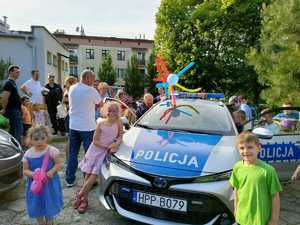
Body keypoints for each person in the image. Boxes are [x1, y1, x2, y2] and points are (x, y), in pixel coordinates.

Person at [74, 102, 123, 213]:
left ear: (118, 112)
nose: (111, 113)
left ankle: (79, 195)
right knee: (87, 176)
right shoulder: (101, 124)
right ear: (106, 111)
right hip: (95, 151)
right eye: (109, 110)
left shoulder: (119, 123)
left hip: (104, 154)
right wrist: (106, 146)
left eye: (114, 111)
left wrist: (116, 144)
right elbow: (95, 141)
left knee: (93, 177)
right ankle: (84, 200)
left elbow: (120, 135)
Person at [229, 131, 282, 225]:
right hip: (242, 217)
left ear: (258, 148)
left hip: (260, 219)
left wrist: (274, 219)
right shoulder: (237, 167)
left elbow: (275, 196)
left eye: (250, 147)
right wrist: (236, 209)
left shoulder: (268, 171)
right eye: (242, 148)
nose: (245, 151)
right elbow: (236, 190)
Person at [65, 70, 101, 187]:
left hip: (73, 125)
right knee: (89, 154)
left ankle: (69, 179)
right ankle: (89, 179)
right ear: (86, 78)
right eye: (92, 78)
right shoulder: (91, 90)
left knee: (72, 153)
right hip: (87, 127)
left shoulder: (72, 88)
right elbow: (100, 103)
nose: (94, 81)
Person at [22, 125, 63, 225]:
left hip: (49, 184)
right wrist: (33, 174)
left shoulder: (51, 151)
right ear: (30, 140)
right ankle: (41, 222)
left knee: (50, 202)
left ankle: (50, 221)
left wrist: (52, 171)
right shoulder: (28, 154)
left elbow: (58, 164)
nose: (39, 141)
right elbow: (25, 170)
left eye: (42, 138)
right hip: (36, 186)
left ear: (47, 138)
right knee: (37, 204)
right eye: (36, 139)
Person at [1, 65, 23, 143]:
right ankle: (18, 148)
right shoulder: (9, 83)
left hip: (15, 110)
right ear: (10, 72)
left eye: (19, 72)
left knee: (14, 130)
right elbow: (4, 98)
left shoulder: (13, 83)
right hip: (12, 110)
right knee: (18, 129)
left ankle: (12, 147)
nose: (18, 74)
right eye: (17, 72)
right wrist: (4, 109)